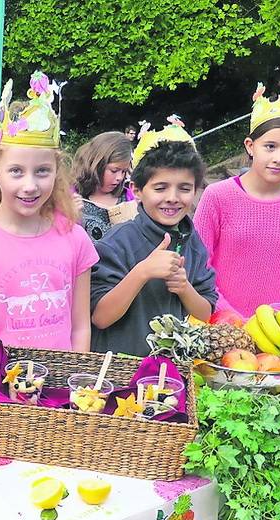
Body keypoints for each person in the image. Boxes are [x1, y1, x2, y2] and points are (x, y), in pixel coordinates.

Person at [0, 71, 98, 362]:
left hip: (60, 390)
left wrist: (76, 380)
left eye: (42, 171)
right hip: (0, 393)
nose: (30, 185)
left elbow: (81, 325)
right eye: (16, 171)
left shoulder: (74, 237)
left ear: (57, 172)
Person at [194, 76, 280, 321]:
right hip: (222, 327)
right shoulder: (218, 196)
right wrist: (231, 318)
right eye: (270, 146)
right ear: (251, 146)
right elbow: (200, 266)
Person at [91, 125, 218, 356]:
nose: (172, 198)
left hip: (168, 373)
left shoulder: (194, 244)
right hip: (118, 372)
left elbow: (205, 313)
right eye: (160, 188)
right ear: (137, 190)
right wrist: (142, 272)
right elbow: (100, 317)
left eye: (184, 188)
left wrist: (184, 287)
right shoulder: (117, 242)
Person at [72, 132, 133, 240]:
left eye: (124, 171)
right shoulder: (71, 198)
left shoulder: (129, 198)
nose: (119, 177)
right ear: (96, 164)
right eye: (114, 171)